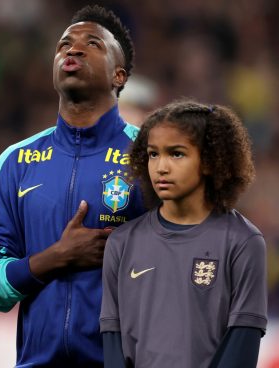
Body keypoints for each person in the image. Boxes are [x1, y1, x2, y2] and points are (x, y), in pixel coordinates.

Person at [0, 5, 146, 366]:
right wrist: (54, 258)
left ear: (119, 76)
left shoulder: (149, 156)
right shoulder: (15, 162)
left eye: (92, 43)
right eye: (65, 43)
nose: (72, 49)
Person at [100, 100, 268, 367]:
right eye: (153, 154)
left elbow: (242, 343)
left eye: (176, 153)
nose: (161, 167)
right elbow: (112, 339)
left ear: (212, 162)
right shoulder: (122, 242)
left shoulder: (243, 242)